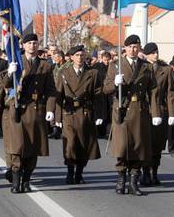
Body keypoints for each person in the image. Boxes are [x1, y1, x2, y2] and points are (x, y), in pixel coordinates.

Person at [0, 33, 56, 193]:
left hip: (36, 110)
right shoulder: (15, 62)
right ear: (24, 45)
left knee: (32, 149)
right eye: (29, 43)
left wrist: (50, 109)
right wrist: (10, 73)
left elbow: (51, 90)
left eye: (35, 43)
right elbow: (5, 85)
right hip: (17, 109)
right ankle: (15, 180)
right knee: (17, 148)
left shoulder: (46, 66)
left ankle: (26, 179)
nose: (32, 46)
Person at [103, 34, 159, 196]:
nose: (133, 50)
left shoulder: (146, 67)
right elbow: (105, 89)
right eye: (130, 47)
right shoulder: (115, 66)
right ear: (125, 49)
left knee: (138, 147)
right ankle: (121, 180)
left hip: (139, 110)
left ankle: (134, 182)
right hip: (122, 109)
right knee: (122, 148)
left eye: (136, 47)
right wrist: (115, 83)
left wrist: (155, 113)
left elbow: (153, 91)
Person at [55, 45, 103, 184]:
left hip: (85, 113)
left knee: (83, 144)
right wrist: (57, 116)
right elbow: (58, 95)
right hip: (69, 112)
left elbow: (98, 95)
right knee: (70, 143)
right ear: (71, 57)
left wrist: (99, 114)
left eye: (82, 55)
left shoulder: (93, 73)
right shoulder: (63, 72)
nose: (80, 58)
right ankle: (70, 172)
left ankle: (79, 173)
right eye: (77, 55)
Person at [140, 43, 174, 186]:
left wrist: (172, 113)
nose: (156, 55)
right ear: (146, 54)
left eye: (157, 52)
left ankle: (154, 173)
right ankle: (145, 173)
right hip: (143, 110)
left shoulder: (166, 70)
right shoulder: (140, 67)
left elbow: (171, 93)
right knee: (144, 144)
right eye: (152, 52)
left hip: (160, 111)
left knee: (157, 144)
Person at [92, 51, 112, 138]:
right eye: (105, 60)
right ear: (101, 59)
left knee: (109, 112)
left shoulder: (112, 67)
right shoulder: (96, 67)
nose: (106, 62)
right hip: (100, 93)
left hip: (110, 93)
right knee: (100, 112)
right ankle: (99, 131)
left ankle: (108, 132)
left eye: (108, 60)